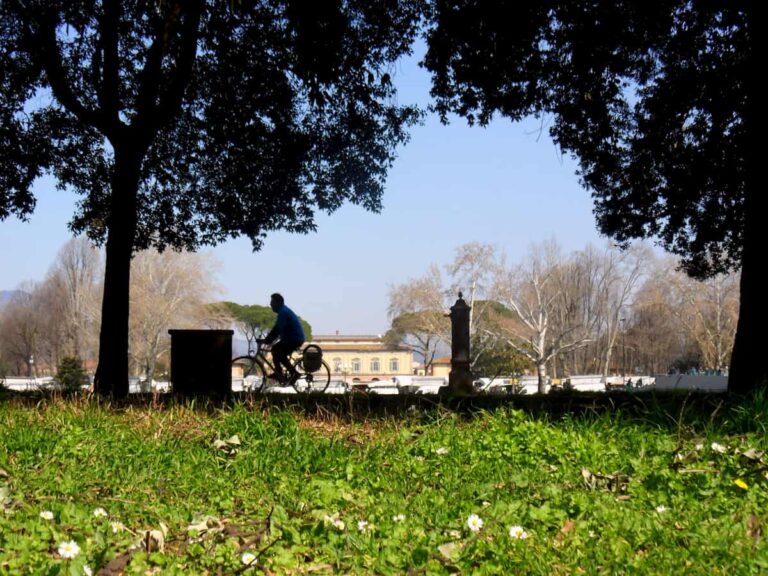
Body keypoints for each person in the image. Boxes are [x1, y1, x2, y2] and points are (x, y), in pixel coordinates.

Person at [263, 293, 305, 383]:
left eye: (272, 302)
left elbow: (277, 328)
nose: (270, 305)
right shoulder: (284, 311)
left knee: (279, 353)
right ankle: (279, 372)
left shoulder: (283, 313)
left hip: (294, 339)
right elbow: (277, 329)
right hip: (291, 338)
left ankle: (293, 373)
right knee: (275, 350)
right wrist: (268, 339)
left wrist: (267, 340)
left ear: (278, 303)